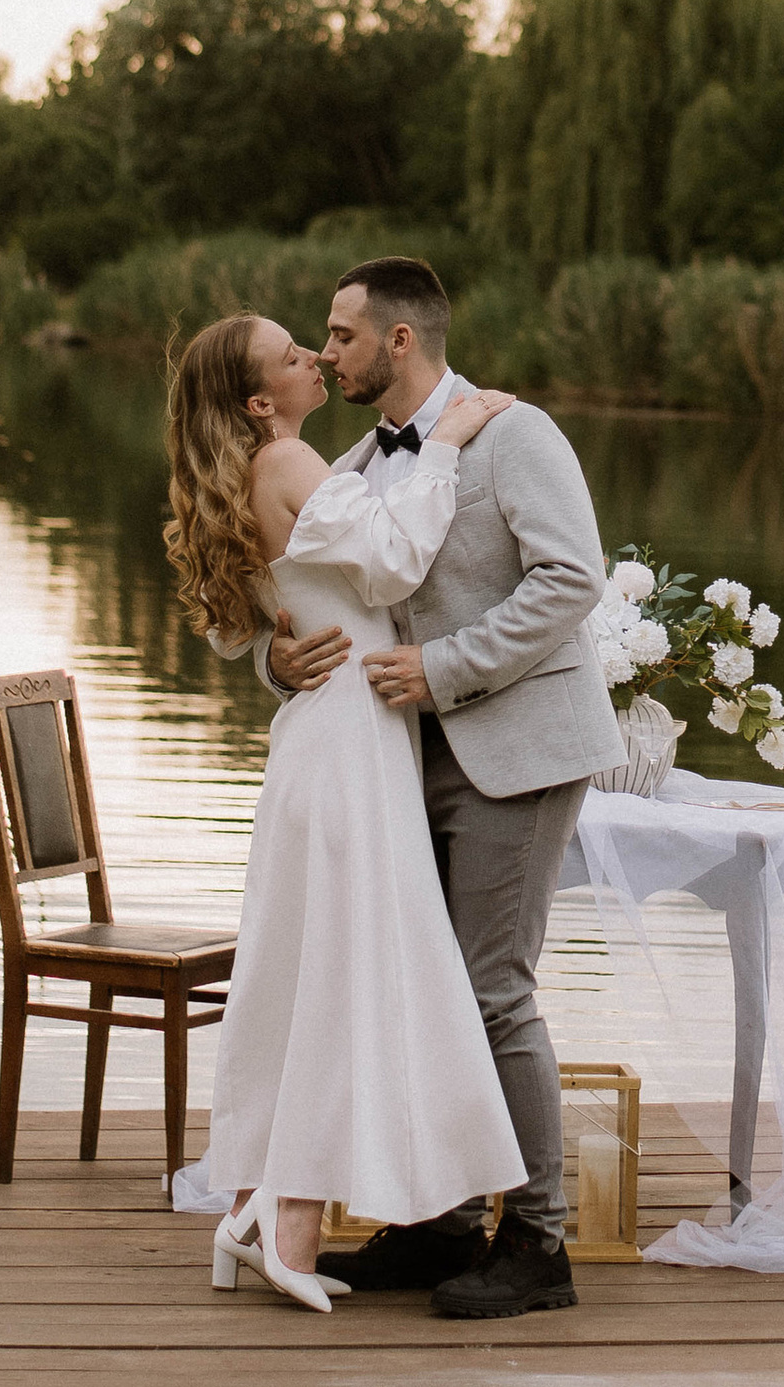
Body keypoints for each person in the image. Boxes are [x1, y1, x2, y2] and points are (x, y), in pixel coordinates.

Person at [222, 254, 623, 1319]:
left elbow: (572, 579)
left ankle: (537, 1243)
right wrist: (277, 662)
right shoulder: (352, 459)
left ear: (399, 340)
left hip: (515, 748)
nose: (326, 354)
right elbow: (323, 602)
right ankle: (440, 1224)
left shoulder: (514, 434)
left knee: (492, 989)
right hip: (401, 761)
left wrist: (445, 670)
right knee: (424, 988)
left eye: (340, 335)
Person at [163, 314, 524, 1312]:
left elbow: (238, 631)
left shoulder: (254, 472)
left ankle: (253, 1212)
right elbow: (396, 561)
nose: (315, 358)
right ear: (258, 402)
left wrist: (278, 654)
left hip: (325, 740)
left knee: (306, 975)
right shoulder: (285, 459)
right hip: (348, 744)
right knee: (341, 976)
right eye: (292, 356)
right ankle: (287, 1227)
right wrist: (449, 442)